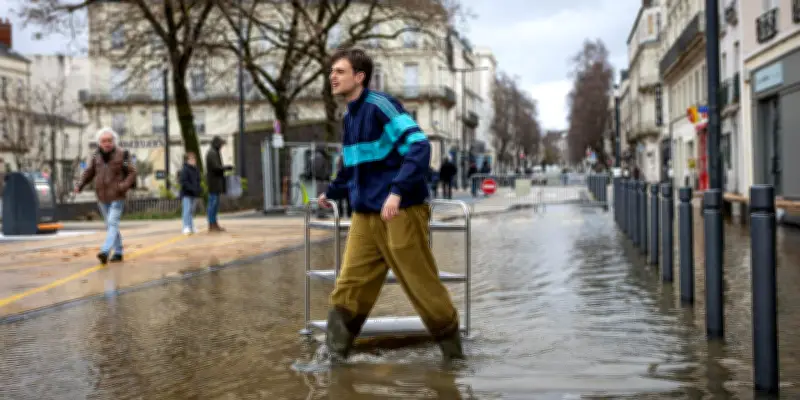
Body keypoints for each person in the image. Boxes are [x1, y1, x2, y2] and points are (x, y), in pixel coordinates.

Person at [318, 48, 464, 362]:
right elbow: (351, 166)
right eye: (332, 71)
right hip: (365, 216)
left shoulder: (380, 106)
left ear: (359, 77)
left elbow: (419, 146)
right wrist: (332, 193)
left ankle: (454, 357)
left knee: (421, 284)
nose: (333, 76)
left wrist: (396, 192)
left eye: (340, 71)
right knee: (348, 286)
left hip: (400, 212)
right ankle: (332, 360)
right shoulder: (349, 117)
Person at [74, 128, 137, 264]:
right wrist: (80, 185)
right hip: (102, 197)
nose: (107, 143)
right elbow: (88, 172)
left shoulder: (124, 155)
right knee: (110, 225)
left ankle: (105, 251)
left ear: (114, 141)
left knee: (112, 223)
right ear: (99, 143)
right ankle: (118, 252)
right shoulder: (96, 155)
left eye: (109, 140)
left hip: (117, 196)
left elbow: (132, 172)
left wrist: (123, 186)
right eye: (104, 141)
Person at [205, 136, 231, 232]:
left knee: (214, 204)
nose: (222, 146)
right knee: (213, 203)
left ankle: (214, 223)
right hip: (213, 182)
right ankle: (212, 224)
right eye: (221, 144)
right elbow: (215, 167)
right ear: (217, 144)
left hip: (215, 182)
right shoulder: (212, 153)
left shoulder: (214, 152)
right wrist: (225, 168)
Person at [179, 152, 202, 235]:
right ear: (187, 160)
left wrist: (198, 189)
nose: (193, 160)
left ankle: (191, 226)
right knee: (186, 210)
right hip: (186, 194)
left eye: (194, 159)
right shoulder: (185, 169)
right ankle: (186, 227)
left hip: (194, 194)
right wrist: (192, 188)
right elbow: (184, 182)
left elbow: (198, 180)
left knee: (191, 211)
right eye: (191, 159)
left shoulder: (196, 169)